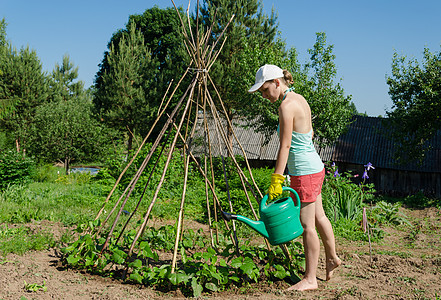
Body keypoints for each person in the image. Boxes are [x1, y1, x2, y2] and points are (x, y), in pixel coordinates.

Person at [248, 64, 341, 291]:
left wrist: (277, 178)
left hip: (304, 172)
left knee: (307, 225)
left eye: (264, 89)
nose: (263, 95)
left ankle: (310, 279)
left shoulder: (286, 107)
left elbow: (286, 145)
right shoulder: (300, 99)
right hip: (315, 167)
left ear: (277, 82)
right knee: (319, 217)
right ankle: (332, 258)